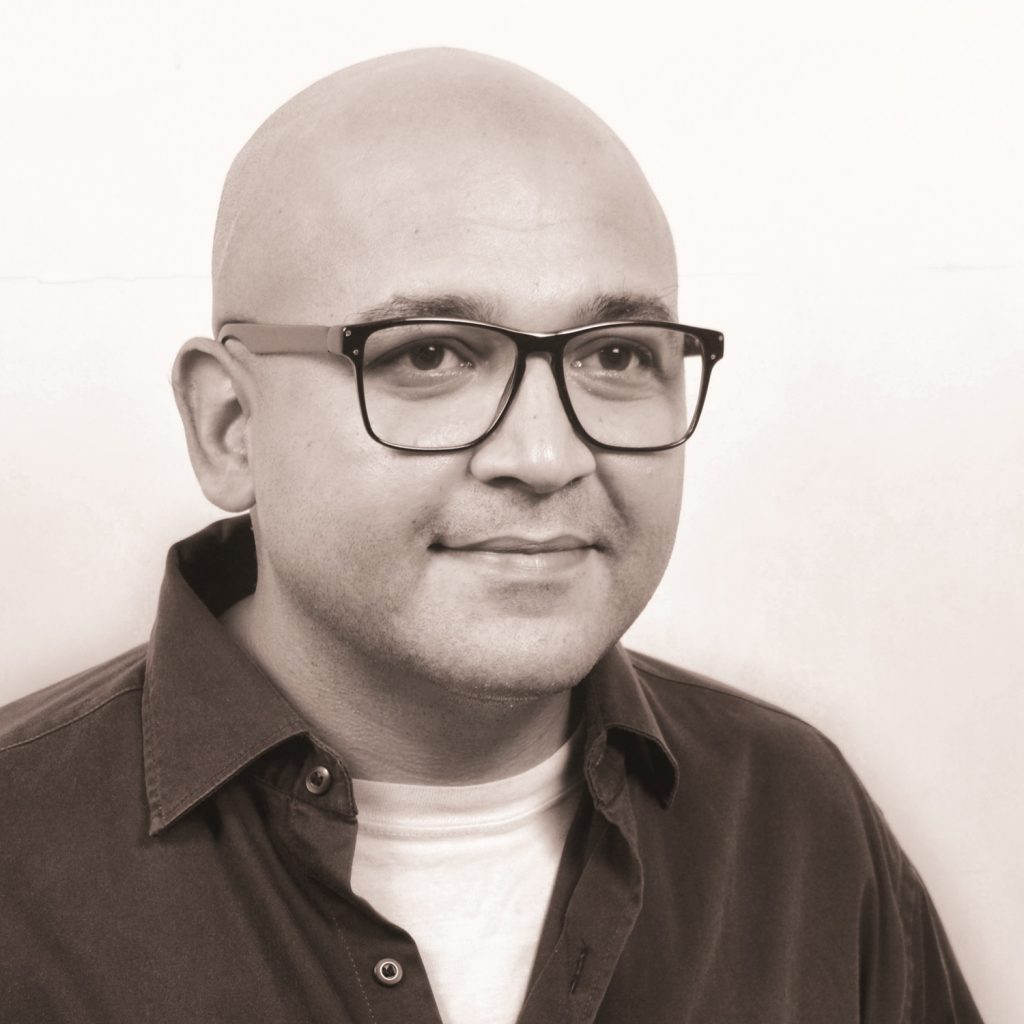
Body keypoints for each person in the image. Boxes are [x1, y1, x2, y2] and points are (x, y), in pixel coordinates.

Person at [0, 48, 981, 1023]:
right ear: (230, 428)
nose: (547, 455)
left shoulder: (799, 823)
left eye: (615, 356)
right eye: (430, 355)